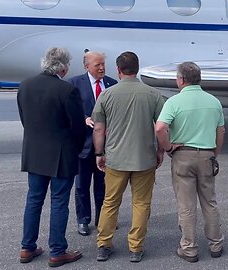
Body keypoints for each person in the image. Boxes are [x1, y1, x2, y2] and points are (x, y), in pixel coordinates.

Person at [92, 51, 164, 263]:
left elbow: (98, 128)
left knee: (110, 202)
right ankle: (136, 247)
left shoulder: (106, 95)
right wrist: (160, 151)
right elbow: (161, 127)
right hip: (144, 159)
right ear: (137, 68)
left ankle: (104, 244)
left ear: (118, 70)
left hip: (116, 158)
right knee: (141, 203)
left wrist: (99, 153)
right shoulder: (152, 94)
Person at [17, 47, 85, 267]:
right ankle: (57, 250)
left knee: (34, 199)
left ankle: (27, 247)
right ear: (63, 67)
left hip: (34, 152)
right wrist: (76, 146)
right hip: (61, 155)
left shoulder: (25, 85)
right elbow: (78, 127)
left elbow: (25, 119)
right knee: (59, 202)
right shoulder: (66, 90)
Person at [155, 62, 225, 263]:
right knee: (209, 202)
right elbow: (221, 131)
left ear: (182, 80)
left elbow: (160, 128)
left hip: (182, 155)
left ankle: (189, 247)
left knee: (186, 205)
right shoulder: (214, 102)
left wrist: (168, 148)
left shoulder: (174, 102)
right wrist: (214, 152)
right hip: (206, 155)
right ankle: (216, 244)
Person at [68, 51, 117, 236]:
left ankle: (102, 219)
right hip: (83, 145)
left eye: (103, 64)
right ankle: (83, 220)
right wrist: (83, 118)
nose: (102, 68)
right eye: (97, 65)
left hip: (106, 145)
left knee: (103, 185)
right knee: (81, 185)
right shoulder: (74, 84)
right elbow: (69, 110)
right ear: (87, 66)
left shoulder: (112, 84)